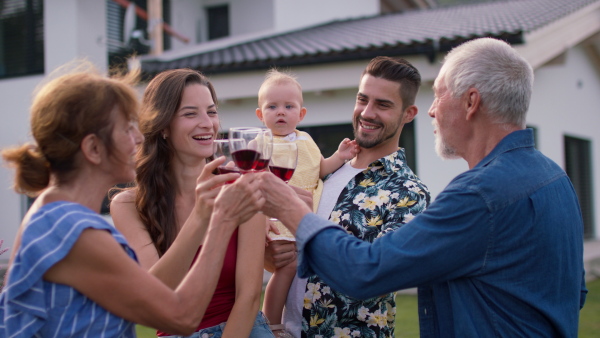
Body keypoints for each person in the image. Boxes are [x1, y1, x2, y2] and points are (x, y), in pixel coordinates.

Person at [259, 38, 588, 337]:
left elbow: (368, 271)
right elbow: (573, 293)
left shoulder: (479, 196)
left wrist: (290, 209)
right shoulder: (555, 180)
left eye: (439, 94)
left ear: (471, 102)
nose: (432, 110)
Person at [0, 64, 264, 337]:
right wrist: (220, 219)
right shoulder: (73, 231)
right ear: (93, 148)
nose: (139, 137)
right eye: (127, 129)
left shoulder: (53, 215)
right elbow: (179, 315)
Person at [265, 58, 431, 337]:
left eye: (383, 104)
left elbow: (376, 275)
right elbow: (293, 257)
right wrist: (272, 255)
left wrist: (301, 220)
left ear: (408, 113)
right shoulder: (325, 171)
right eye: (362, 99)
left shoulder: (409, 193)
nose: (367, 112)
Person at [110, 68, 271, 338]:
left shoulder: (243, 187)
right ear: (162, 126)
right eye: (190, 113)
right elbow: (154, 295)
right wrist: (201, 215)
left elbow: (250, 296)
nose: (207, 123)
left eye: (211, 111)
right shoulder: (128, 205)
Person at [255, 69, 359, 337]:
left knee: (300, 272)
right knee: (286, 267)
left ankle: (297, 318)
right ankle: (271, 322)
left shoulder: (306, 140)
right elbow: (252, 178)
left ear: (301, 114)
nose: (281, 112)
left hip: (306, 220)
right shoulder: (262, 142)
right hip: (276, 221)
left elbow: (320, 170)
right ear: (260, 114)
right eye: (272, 106)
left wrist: (340, 156)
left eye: (289, 106)